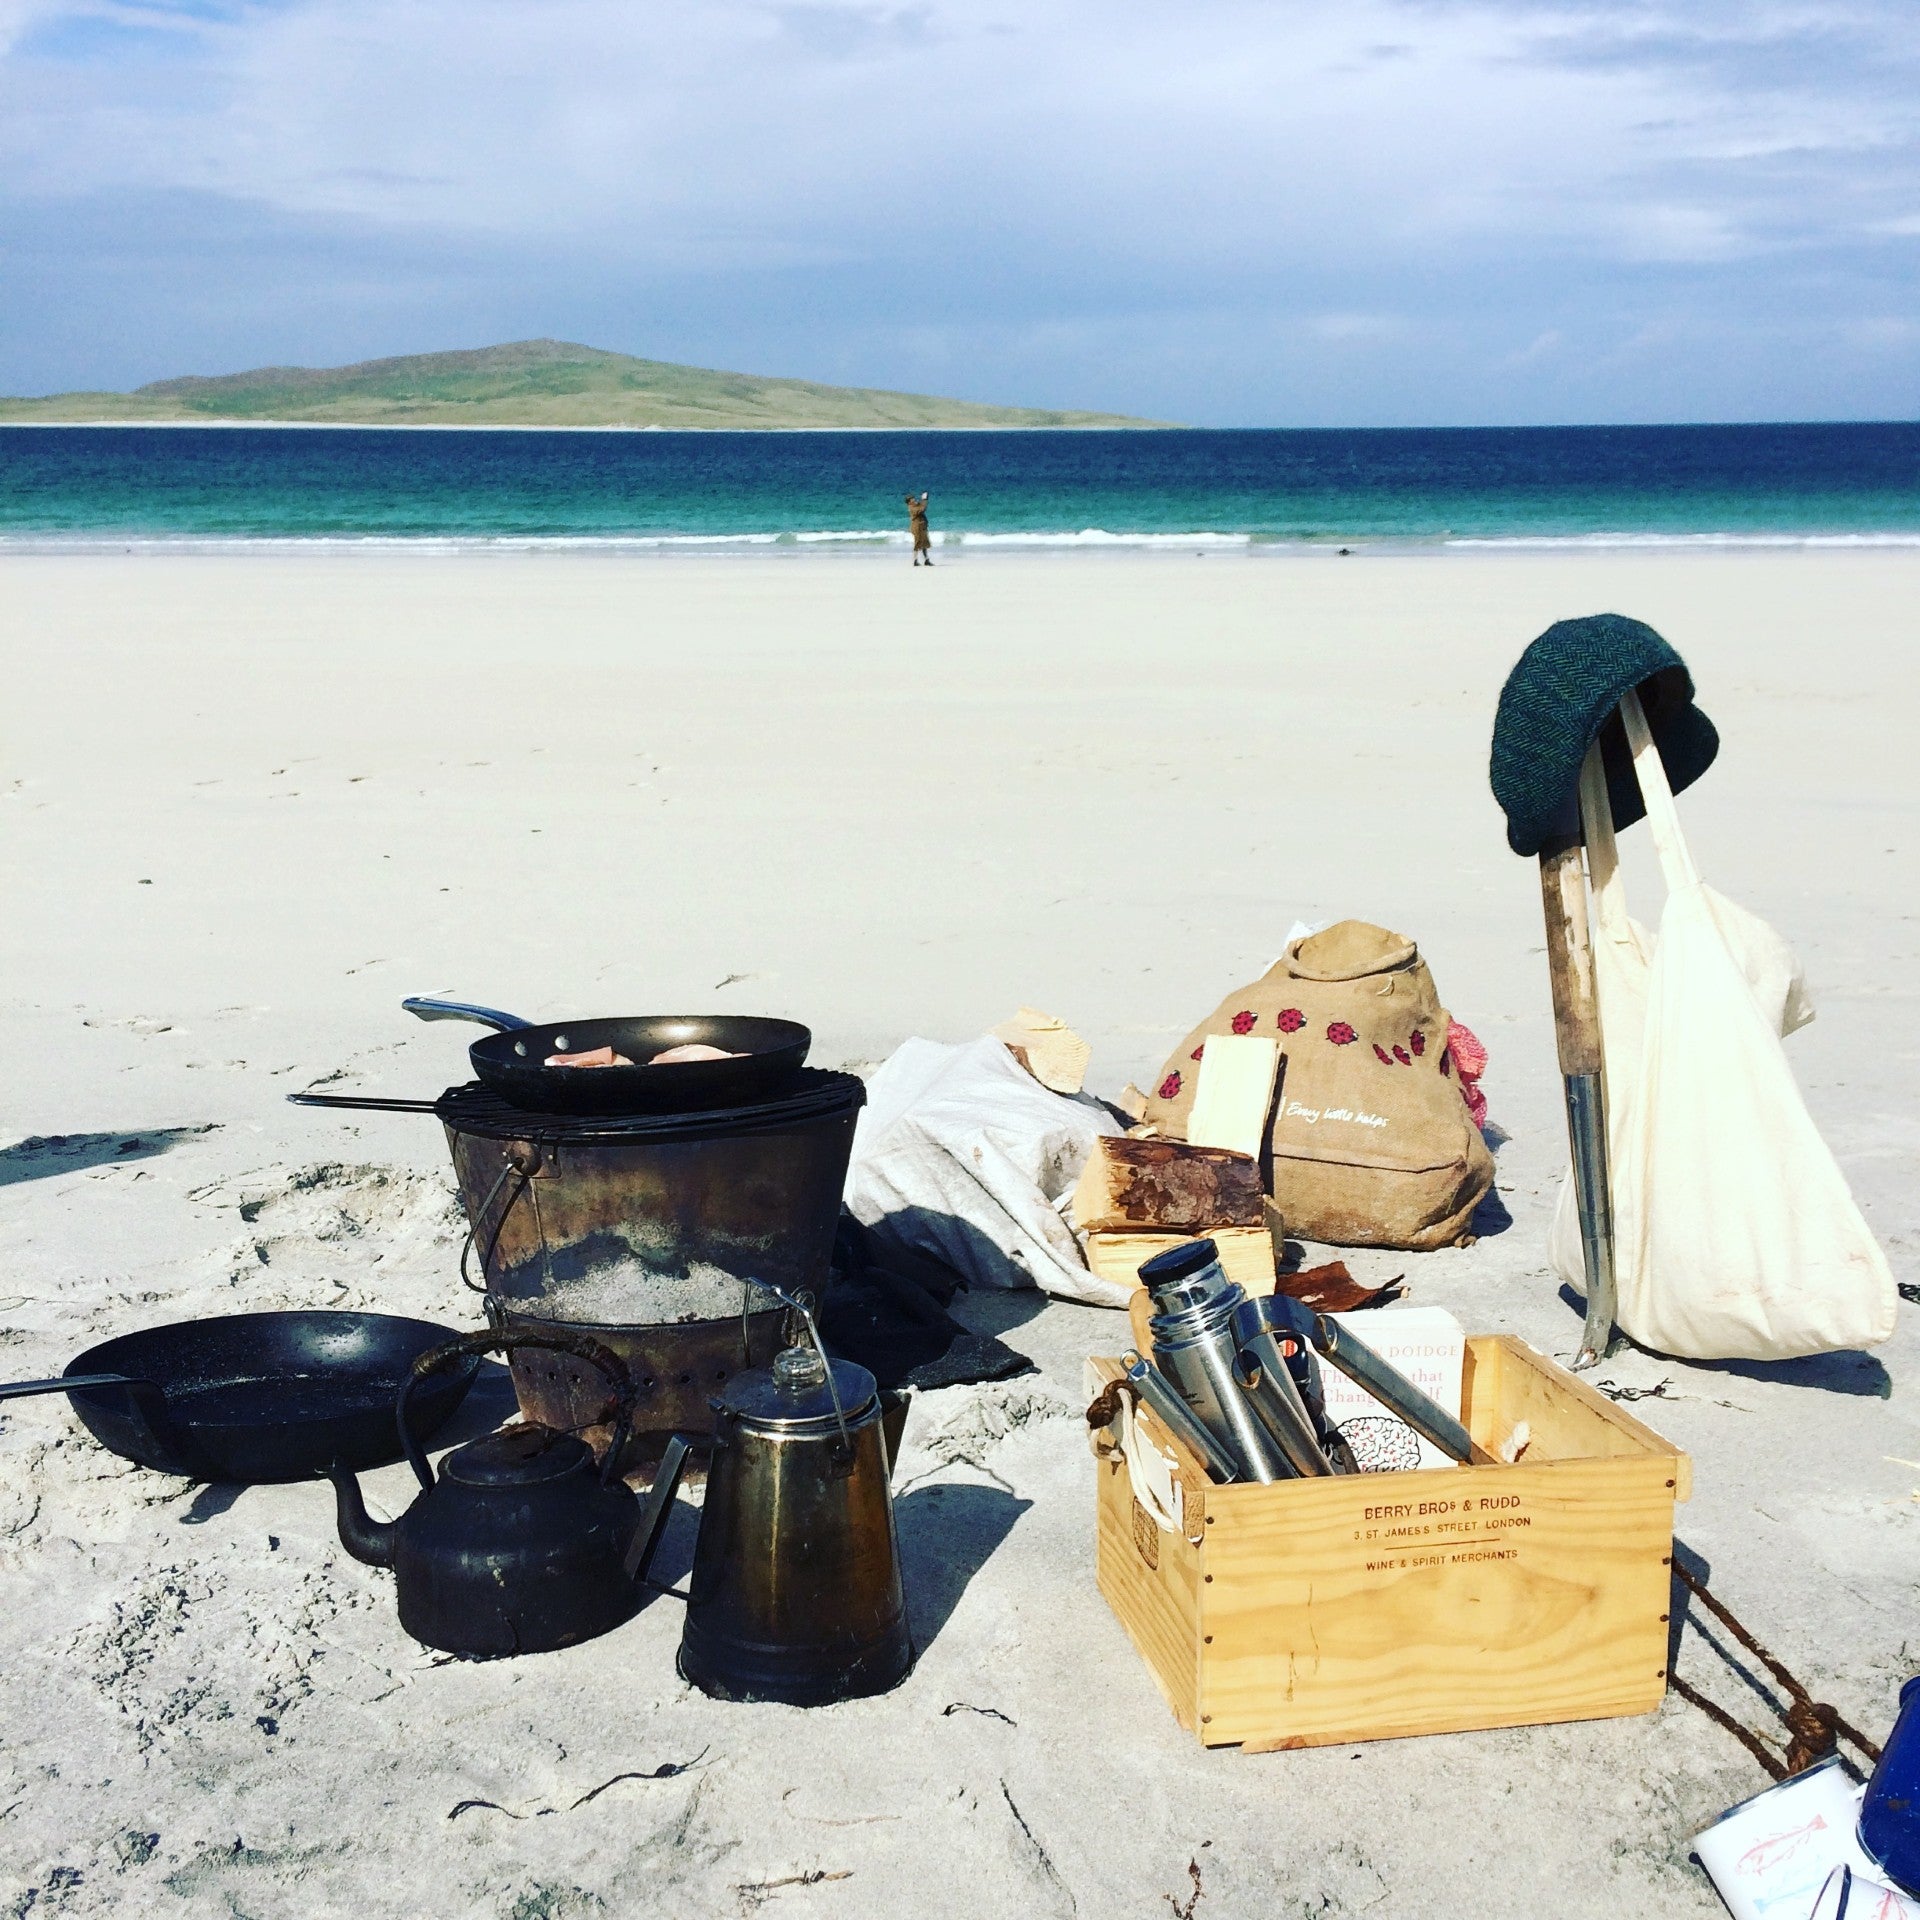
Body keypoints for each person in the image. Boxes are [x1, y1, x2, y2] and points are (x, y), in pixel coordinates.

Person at [905, 491, 932, 566]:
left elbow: (922, 506)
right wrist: (924, 500)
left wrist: (924, 499)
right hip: (917, 527)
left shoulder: (916, 505)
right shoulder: (911, 508)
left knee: (924, 544)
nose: (914, 499)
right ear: (909, 501)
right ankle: (915, 560)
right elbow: (922, 509)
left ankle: (926, 560)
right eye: (912, 499)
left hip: (922, 527)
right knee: (917, 543)